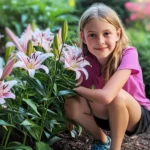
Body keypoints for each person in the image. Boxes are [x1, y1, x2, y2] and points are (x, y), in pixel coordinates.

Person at [64, 3, 150, 150]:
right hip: (106, 115)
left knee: (117, 96)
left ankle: (115, 148)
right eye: (92, 35)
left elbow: (106, 96)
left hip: (135, 117)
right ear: (83, 37)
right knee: (71, 104)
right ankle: (102, 140)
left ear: (118, 34)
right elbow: (79, 98)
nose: (100, 41)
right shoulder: (85, 60)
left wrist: (75, 88)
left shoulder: (128, 54)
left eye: (106, 33)